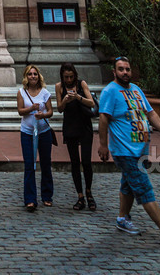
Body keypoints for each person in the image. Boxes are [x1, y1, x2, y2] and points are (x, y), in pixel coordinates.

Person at [98, 56, 160, 243]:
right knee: (144, 188)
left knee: (128, 183)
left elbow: (150, 113)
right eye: (121, 69)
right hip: (125, 150)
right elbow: (103, 119)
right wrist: (103, 145)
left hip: (140, 149)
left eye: (127, 69)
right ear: (114, 72)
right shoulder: (110, 91)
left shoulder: (136, 90)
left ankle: (122, 218)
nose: (125, 72)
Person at [55, 62, 95, 210]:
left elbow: (91, 103)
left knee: (86, 161)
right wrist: (65, 100)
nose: (69, 80)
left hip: (84, 126)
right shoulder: (59, 86)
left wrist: (78, 97)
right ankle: (80, 196)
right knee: (74, 162)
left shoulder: (81, 84)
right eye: (66, 77)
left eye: (71, 77)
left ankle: (89, 192)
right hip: (70, 126)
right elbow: (59, 109)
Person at [17, 63, 54, 210]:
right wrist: (31, 108)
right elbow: (20, 111)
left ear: (39, 76)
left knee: (46, 163)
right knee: (29, 164)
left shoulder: (45, 92)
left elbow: (50, 111)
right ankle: (30, 199)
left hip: (43, 132)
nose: (33, 76)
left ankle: (47, 195)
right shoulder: (21, 92)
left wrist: (42, 114)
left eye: (35, 74)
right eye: (30, 74)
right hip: (27, 132)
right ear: (26, 77)